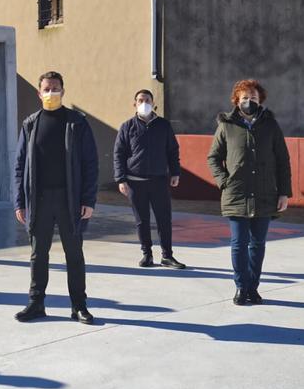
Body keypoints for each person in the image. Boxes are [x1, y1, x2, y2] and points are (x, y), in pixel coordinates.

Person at [13, 71, 99, 325]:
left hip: (69, 199)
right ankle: (36, 303)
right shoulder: (30, 124)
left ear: (63, 91)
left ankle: (79, 306)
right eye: (47, 88)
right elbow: (20, 165)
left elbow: (90, 163)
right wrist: (20, 201)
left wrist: (88, 200)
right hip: (39, 200)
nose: (51, 93)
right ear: (39, 93)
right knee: (38, 255)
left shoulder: (77, 123)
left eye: (56, 88)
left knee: (74, 254)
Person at [206, 79, 292, 306]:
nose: (248, 101)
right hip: (236, 194)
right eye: (244, 98)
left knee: (258, 244)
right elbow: (213, 157)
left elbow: (283, 160)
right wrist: (224, 182)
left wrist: (284, 192)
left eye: (253, 97)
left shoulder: (271, 125)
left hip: (265, 195)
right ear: (237, 101)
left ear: (260, 100)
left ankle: (253, 288)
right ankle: (240, 287)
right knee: (238, 243)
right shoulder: (226, 125)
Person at [114, 89, 187, 269]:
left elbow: (172, 151)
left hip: (159, 181)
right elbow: (119, 154)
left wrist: (175, 172)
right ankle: (147, 254)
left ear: (153, 104)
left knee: (164, 219)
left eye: (147, 99)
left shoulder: (163, 125)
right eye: (140, 100)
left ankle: (167, 256)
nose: (144, 102)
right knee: (142, 220)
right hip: (134, 182)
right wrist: (121, 179)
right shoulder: (127, 127)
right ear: (135, 104)